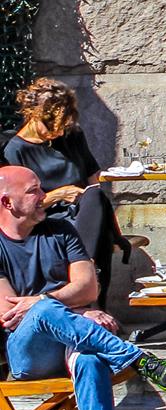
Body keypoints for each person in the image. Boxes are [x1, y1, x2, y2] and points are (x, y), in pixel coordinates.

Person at [0, 166, 166, 410]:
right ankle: (136, 359)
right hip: (27, 353)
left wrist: (49, 303)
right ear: (7, 203)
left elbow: (88, 287)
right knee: (42, 311)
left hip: (74, 339)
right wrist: (67, 308)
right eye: (33, 191)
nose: (43, 196)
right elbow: (9, 313)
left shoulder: (61, 229)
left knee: (89, 361)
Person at [5, 79, 124, 292]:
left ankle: (87, 269)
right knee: (89, 227)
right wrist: (58, 195)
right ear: (34, 115)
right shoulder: (15, 151)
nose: (59, 132)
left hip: (86, 214)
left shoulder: (72, 136)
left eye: (63, 126)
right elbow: (17, 209)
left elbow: (93, 179)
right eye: (52, 126)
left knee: (95, 197)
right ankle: (87, 275)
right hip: (47, 220)